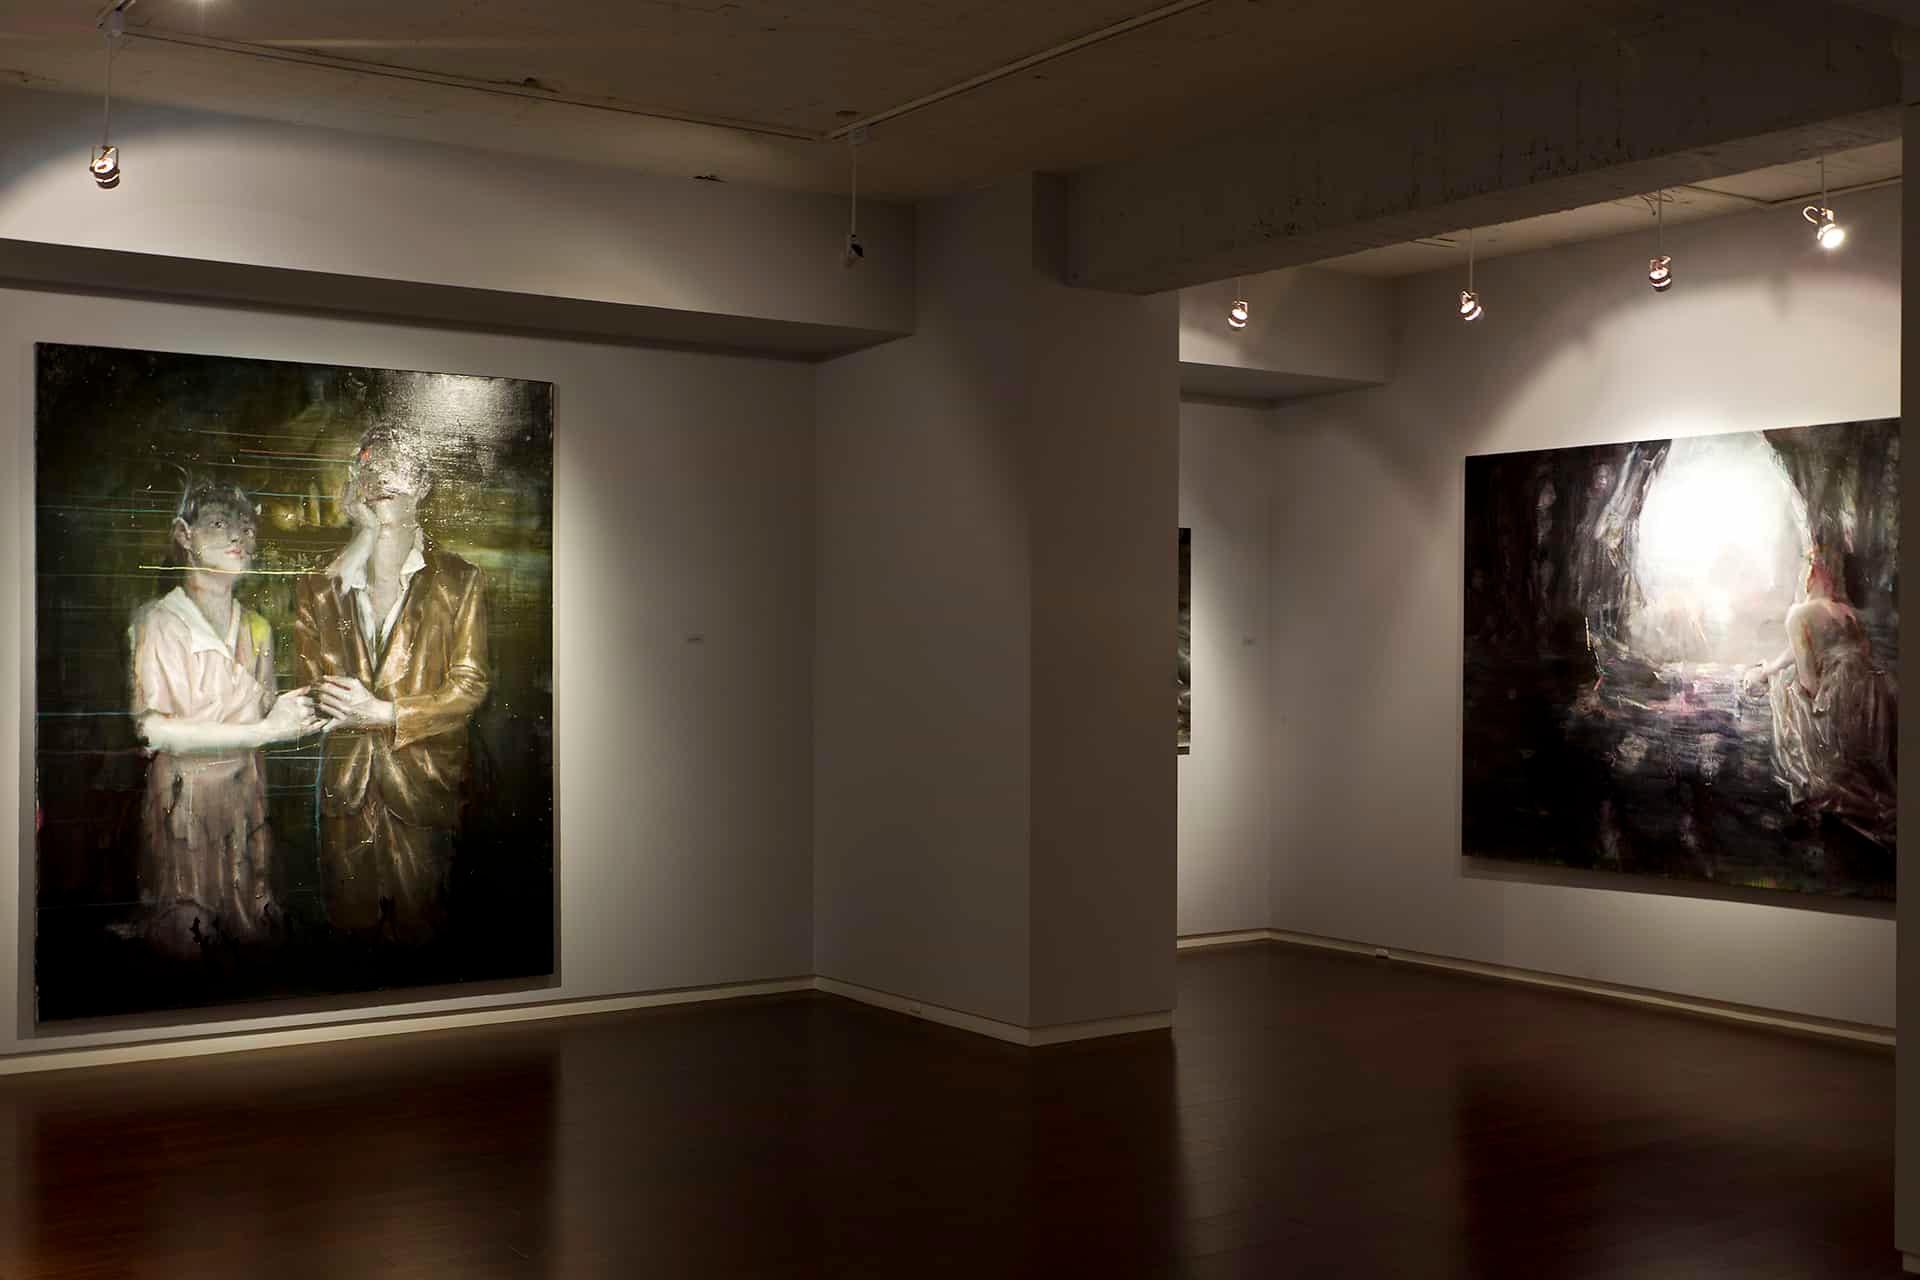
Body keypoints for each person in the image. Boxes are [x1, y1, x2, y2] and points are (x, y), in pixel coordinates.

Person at [294, 425, 490, 946]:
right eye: (368, 466)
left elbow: (470, 685)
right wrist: (360, 543)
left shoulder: (459, 580)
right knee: (351, 938)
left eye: (395, 466)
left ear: (422, 483)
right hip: (347, 790)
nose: (380, 478)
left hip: (424, 787)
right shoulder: (320, 584)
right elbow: (311, 681)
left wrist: (387, 714)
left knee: (423, 936)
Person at [129, 482, 322, 956]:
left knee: (250, 931)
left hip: (245, 800)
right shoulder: (159, 622)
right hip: (185, 803)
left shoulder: (257, 628)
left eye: (247, 528)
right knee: (192, 936)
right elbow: (152, 729)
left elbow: (266, 710)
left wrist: (298, 712)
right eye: (219, 523)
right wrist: (263, 730)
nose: (239, 536)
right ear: (184, 534)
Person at [1742, 547, 1895, 843]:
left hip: (1838, 697)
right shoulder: (1847, 612)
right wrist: (1769, 668)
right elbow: (1851, 651)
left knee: (1786, 689)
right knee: (1780, 674)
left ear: (1809, 575)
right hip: (1873, 695)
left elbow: (1808, 679)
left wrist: (1813, 705)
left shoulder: (1798, 614)